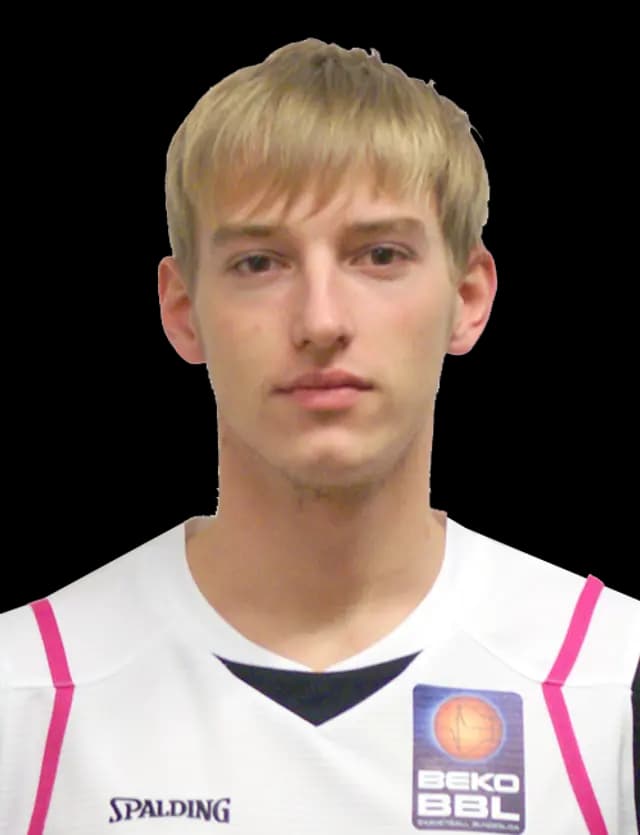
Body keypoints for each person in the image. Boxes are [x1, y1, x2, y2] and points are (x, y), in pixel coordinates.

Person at [0, 38, 638, 835]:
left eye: (380, 254)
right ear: (183, 309)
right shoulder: (26, 689)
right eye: (259, 262)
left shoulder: (607, 675)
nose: (322, 320)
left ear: (468, 297)